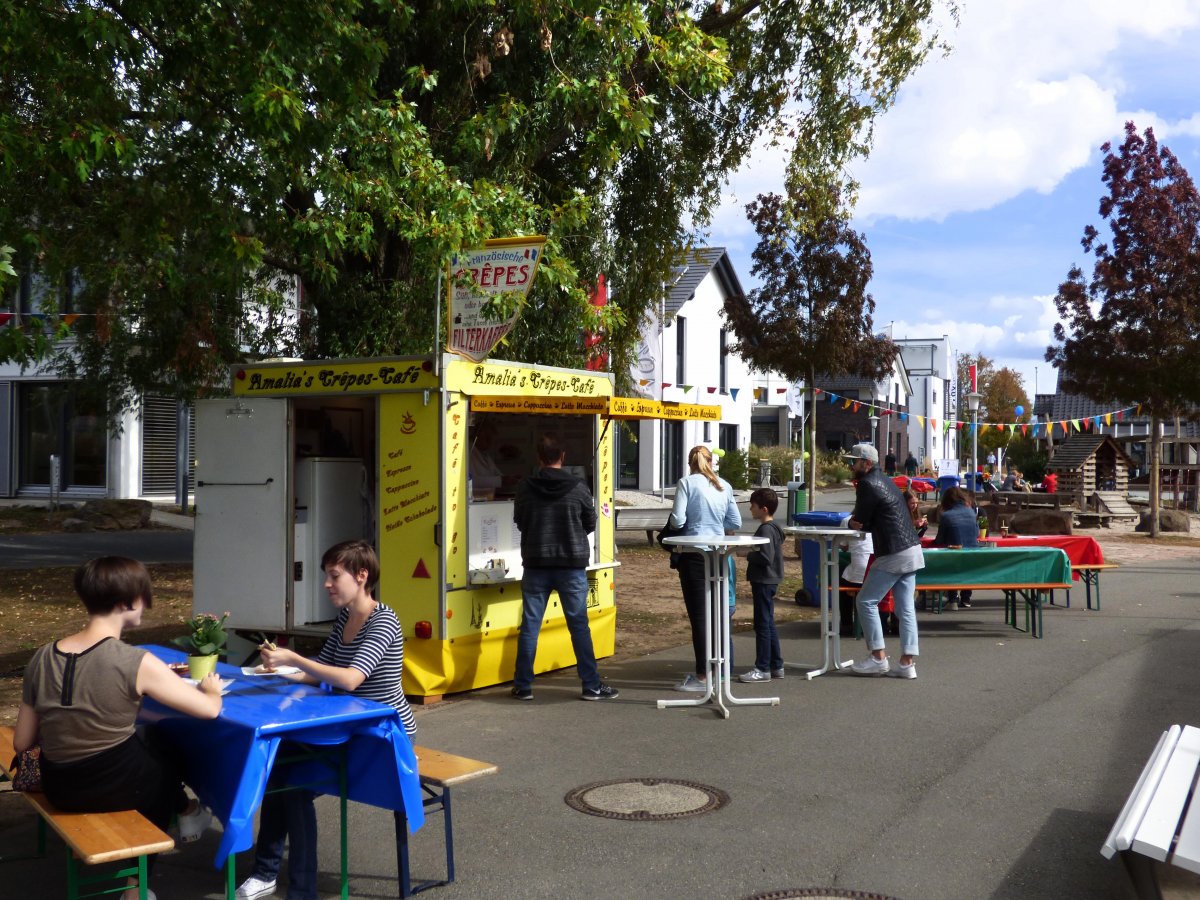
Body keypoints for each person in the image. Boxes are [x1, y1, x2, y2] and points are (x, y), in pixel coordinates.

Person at [15, 557, 223, 900]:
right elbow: (209, 711)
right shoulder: (134, 661)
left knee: (150, 746)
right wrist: (212, 690)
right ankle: (135, 888)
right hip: (114, 787)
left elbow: (22, 742)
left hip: (59, 786)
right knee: (167, 756)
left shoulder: (41, 657)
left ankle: (187, 814)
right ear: (127, 602)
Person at [238, 540, 416, 900]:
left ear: (361, 576)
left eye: (334, 576)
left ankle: (301, 890)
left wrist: (295, 658)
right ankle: (266, 871)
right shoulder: (345, 619)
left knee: (296, 784)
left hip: (382, 738)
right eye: (327, 576)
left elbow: (350, 678)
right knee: (278, 770)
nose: (327, 584)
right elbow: (324, 674)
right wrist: (282, 669)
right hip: (344, 729)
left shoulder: (384, 621)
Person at [509, 433, 618, 702]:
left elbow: (519, 521)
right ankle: (591, 685)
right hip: (571, 564)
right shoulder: (578, 487)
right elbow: (591, 522)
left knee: (530, 626)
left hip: (535, 563)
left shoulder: (525, 487)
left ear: (539, 458)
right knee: (579, 625)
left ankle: (523, 686)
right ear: (563, 457)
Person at [844, 443, 924, 680]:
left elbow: (860, 520)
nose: (851, 465)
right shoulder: (886, 480)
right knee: (905, 607)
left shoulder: (867, 484)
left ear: (866, 464)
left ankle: (878, 657)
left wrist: (849, 522)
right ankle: (907, 663)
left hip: (893, 551)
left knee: (865, 600)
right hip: (912, 548)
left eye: (854, 461)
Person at [669, 445, 742, 692]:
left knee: (699, 616)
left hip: (694, 553)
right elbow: (735, 521)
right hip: (719, 554)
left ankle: (702, 675)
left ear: (690, 463)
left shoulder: (686, 483)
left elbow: (678, 519)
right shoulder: (724, 485)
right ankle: (721, 670)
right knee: (719, 614)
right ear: (711, 462)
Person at [737, 488, 785, 683]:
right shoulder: (774, 528)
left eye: (753, 506)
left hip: (764, 579)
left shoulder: (766, 529)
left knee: (762, 623)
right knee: (768, 622)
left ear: (763, 509)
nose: (750, 509)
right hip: (769, 579)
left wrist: (747, 553)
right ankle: (776, 664)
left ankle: (762, 667)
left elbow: (766, 556)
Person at [933, 487, 980, 610]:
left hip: (954, 557)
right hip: (972, 556)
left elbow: (940, 539)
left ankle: (952, 599)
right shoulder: (971, 513)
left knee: (949, 563)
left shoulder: (946, 515)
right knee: (965, 565)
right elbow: (977, 533)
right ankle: (966, 598)